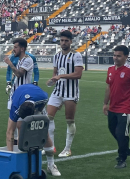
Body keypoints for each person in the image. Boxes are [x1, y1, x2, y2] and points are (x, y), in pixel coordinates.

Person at [6, 84, 61, 176]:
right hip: (19, 95)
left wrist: (39, 112)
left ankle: (51, 165)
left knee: (44, 133)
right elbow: (9, 132)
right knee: (21, 129)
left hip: (37, 102)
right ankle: (23, 163)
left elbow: (42, 105)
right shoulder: (15, 107)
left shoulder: (42, 98)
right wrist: (11, 156)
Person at [103, 45, 130, 169]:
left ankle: (122, 159)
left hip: (126, 108)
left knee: (121, 133)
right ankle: (125, 148)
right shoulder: (110, 69)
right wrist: (105, 103)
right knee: (112, 129)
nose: (115, 58)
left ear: (126, 56)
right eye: (114, 55)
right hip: (113, 108)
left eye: (119, 56)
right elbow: (108, 87)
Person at [46, 30, 83, 158]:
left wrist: (61, 76)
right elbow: (55, 74)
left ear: (71, 42)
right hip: (58, 91)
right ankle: (50, 146)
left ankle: (67, 149)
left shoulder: (76, 55)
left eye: (66, 41)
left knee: (69, 120)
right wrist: (52, 81)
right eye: (62, 40)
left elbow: (78, 74)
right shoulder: (56, 56)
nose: (63, 43)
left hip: (71, 92)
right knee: (48, 117)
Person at [4, 38, 35, 144]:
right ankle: (16, 144)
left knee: (20, 125)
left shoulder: (28, 59)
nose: (13, 49)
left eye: (16, 47)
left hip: (23, 96)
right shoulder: (20, 60)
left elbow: (20, 74)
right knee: (13, 123)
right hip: (15, 94)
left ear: (22, 48)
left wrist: (9, 63)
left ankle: (24, 145)